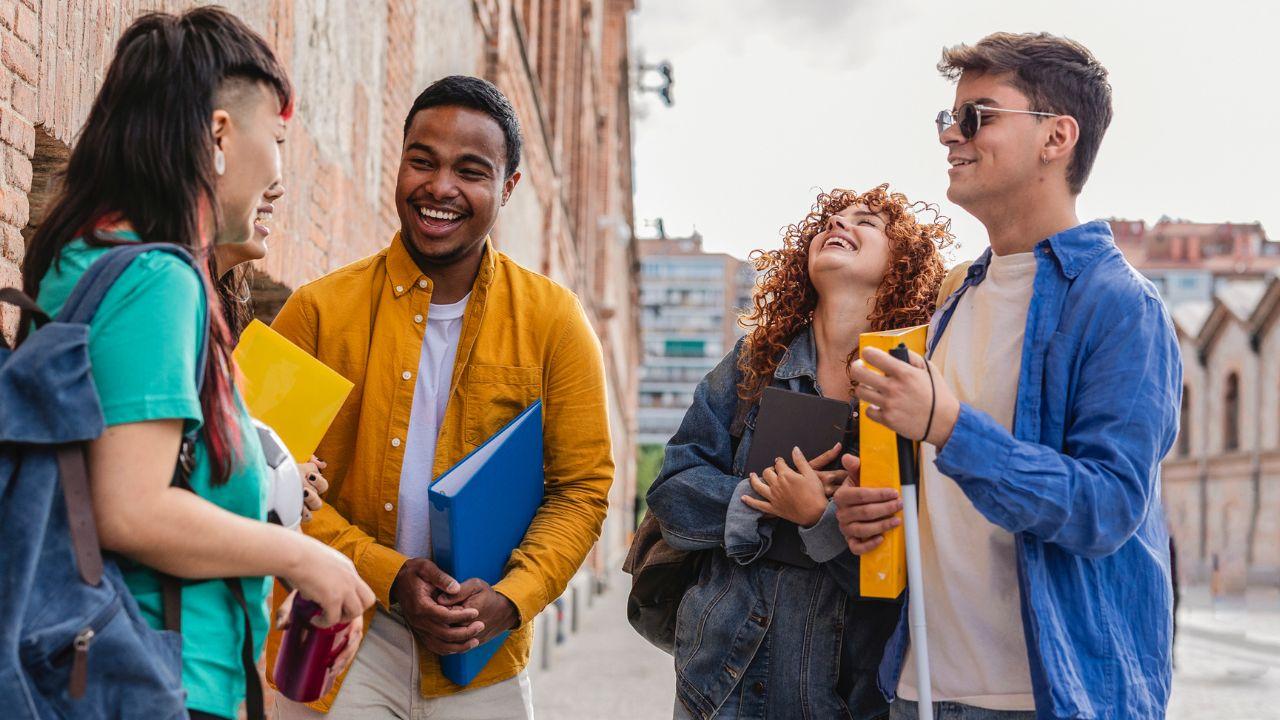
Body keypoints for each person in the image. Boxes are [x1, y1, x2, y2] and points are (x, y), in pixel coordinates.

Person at [20, 8, 374, 719]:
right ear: (218, 135)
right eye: (276, 141)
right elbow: (133, 507)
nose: (278, 175)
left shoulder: (87, 257)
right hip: (160, 680)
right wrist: (305, 559)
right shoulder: (159, 281)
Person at [835, 32, 1180, 719]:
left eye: (977, 117)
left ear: (1056, 137)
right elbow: (950, 500)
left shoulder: (1120, 305)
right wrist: (868, 512)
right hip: (919, 687)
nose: (951, 137)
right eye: (948, 118)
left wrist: (947, 426)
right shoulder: (956, 302)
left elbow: (1108, 507)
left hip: (1049, 696)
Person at [267, 75, 614, 719]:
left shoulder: (556, 323)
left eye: (470, 170)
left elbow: (583, 488)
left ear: (507, 187)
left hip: (480, 649)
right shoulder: (314, 312)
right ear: (398, 165)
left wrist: (513, 597)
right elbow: (261, 476)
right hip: (331, 629)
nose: (440, 188)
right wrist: (386, 573)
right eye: (421, 161)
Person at [646, 185, 951, 720]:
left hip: (840, 699)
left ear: (902, 262)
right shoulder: (750, 367)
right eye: (830, 219)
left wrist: (817, 517)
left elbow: (913, 571)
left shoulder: (918, 385)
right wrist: (761, 500)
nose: (837, 224)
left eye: (866, 222)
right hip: (716, 687)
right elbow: (673, 490)